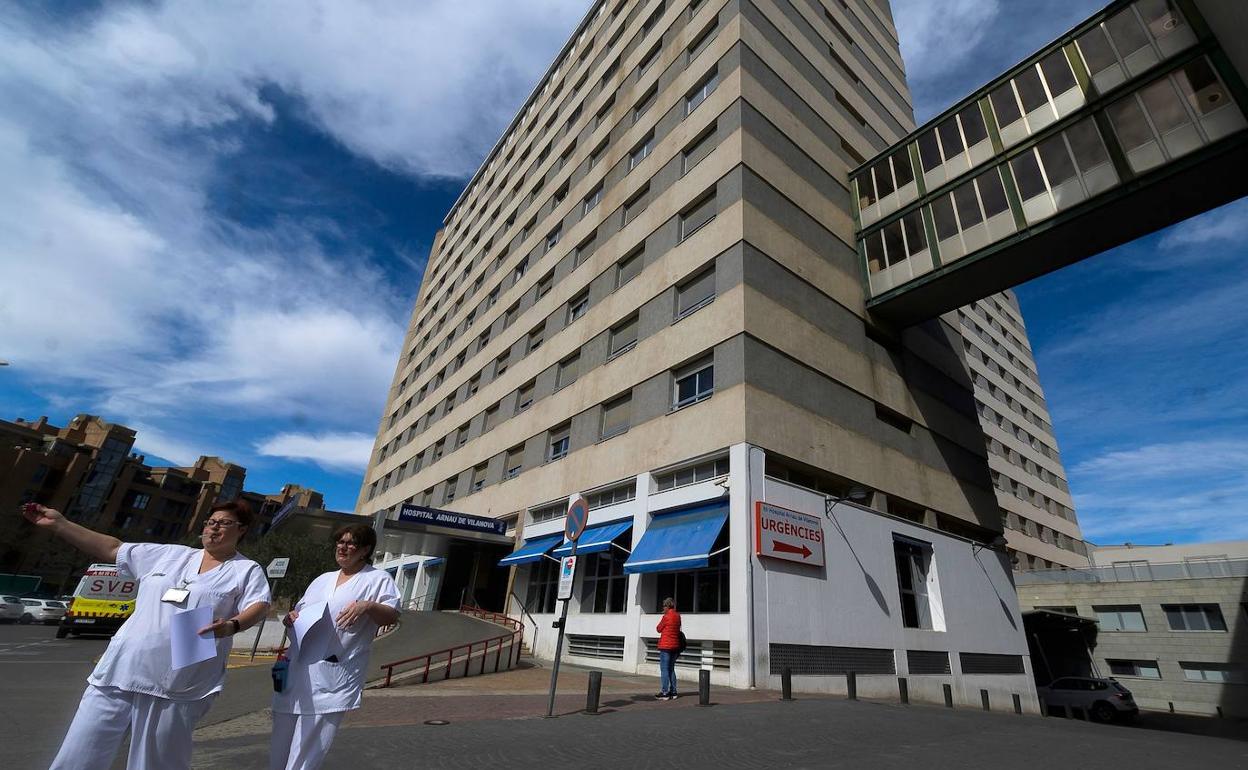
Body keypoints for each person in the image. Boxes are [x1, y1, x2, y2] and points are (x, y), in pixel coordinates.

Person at [22, 500, 271, 770]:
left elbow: (259, 605)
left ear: (242, 529)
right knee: (78, 754)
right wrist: (60, 524)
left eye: (224, 523)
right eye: (210, 522)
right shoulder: (169, 555)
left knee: (157, 762)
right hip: (121, 671)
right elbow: (113, 548)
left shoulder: (246, 569)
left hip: (179, 680)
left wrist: (232, 625)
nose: (214, 529)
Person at [270, 523, 400, 770]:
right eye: (340, 542)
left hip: (332, 674)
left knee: (307, 749)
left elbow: (391, 616)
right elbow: (297, 616)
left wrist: (368, 606)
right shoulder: (322, 580)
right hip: (295, 670)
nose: (343, 547)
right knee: (280, 743)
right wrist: (290, 620)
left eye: (351, 543)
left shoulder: (377, 579)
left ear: (365, 550)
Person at [655, 596, 682, 700]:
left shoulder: (666, 617)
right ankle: (673, 692)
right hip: (675, 646)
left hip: (665, 646)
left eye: (664, 606)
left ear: (667, 606)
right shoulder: (678, 616)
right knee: (671, 669)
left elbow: (658, 629)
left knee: (664, 669)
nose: (663, 608)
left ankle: (665, 692)